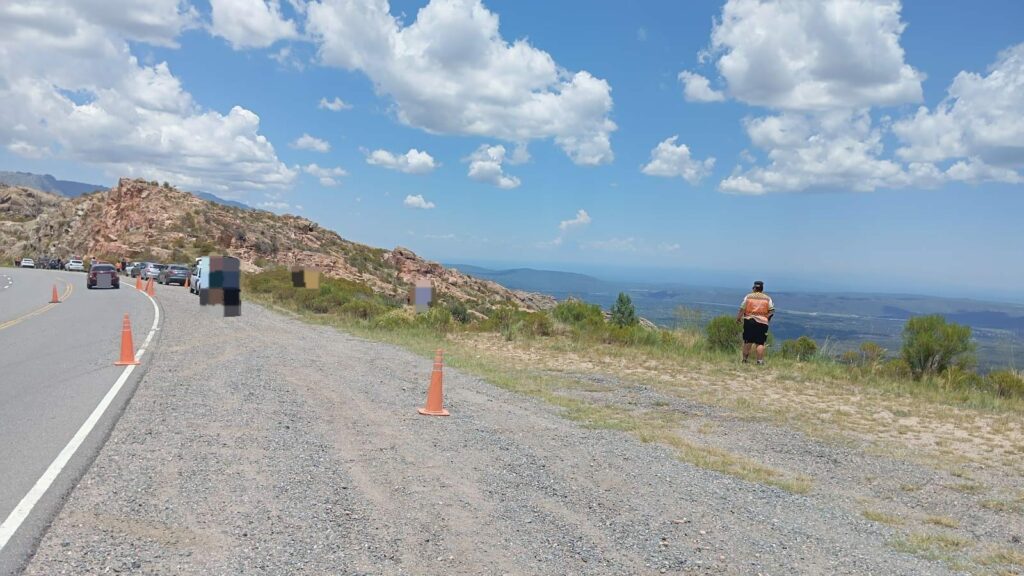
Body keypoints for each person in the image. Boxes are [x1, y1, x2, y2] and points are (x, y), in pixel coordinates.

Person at [736, 280, 774, 365]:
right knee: (760, 343)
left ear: (754, 288)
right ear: (762, 289)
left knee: (747, 341)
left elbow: (742, 308)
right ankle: (759, 361)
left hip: (749, 321)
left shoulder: (748, 297)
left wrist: (738, 318)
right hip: (762, 322)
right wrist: (767, 319)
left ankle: (744, 360)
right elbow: (771, 311)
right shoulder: (767, 298)